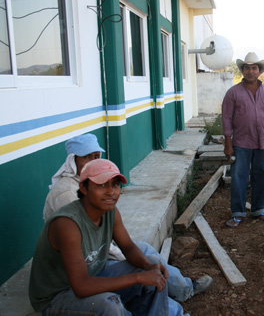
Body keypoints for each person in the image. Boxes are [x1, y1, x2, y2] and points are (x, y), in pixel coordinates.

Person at [42, 134, 213, 308]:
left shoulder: (106, 206)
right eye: (86, 157)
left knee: (150, 261)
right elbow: (83, 272)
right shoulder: (66, 200)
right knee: (131, 286)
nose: (110, 192)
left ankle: (183, 290)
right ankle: (175, 302)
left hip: (97, 255)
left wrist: (145, 266)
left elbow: (125, 245)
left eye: (95, 156)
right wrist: (133, 270)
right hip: (83, 267)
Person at [30, 159, 175, 314]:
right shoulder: (67, 224)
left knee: (153, 265)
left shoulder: (110, 212)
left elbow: (128, 247)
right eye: (101, 185)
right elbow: (81, 286)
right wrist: (139, 277)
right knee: (110, 306)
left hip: (93, 275)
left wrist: (148, 266)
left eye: (115, 184)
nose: (110, 192)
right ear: (83, 188)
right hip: (56, 297)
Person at [222, 52, 264, 228]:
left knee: (262, 176)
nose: (250, 71)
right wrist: (228, 143)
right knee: (239, 177)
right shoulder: (233, 93)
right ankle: (238, 213)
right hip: (241, 142)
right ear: (242, 71)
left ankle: (258, 210)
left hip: (263, 142)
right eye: (247, 68)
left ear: (259, 71)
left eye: (254, 68)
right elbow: (226, 118)